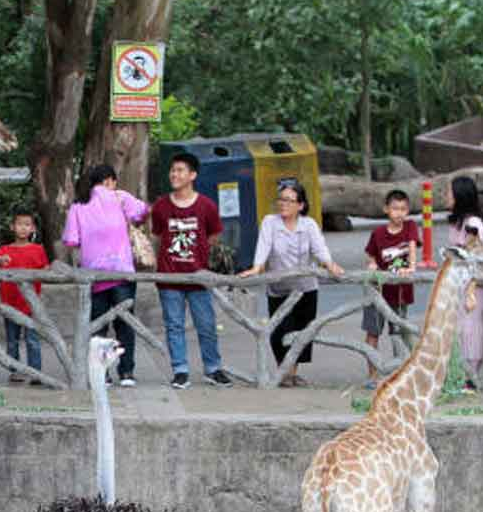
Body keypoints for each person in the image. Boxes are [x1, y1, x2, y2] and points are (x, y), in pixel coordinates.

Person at [236, 179, 345, 387]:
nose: (283, 204)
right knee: (279, 332)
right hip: (279, 288)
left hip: (306, 288)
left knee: (302, 332)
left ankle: (291, 373)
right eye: (281, 199)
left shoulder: (309, 225)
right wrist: (257, 267)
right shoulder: (270, 222)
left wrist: (330, 264)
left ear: (300, 205)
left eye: (289, 200)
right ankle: (284, 373)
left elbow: (320, 249)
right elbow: (264, 246)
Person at [63, 164, 149, 386]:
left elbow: (71, 240)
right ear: (110, 180)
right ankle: (126, 372)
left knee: (98, 326)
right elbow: (142, 212)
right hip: (122, 272)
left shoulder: (78, 206)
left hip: (94, 275)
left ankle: (102, 374)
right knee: (125, 323)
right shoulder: (120, 197)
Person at [151, 151, 230, 389]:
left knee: (206, 325)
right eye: (173, 170)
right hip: (169, 277)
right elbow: (157, 236)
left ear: (192, 175)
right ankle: (180, 370)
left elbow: (214, 235)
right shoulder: (161, 206)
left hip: (199, 277)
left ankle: (213, 368)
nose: (174, 174)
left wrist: (199, 255)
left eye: (180, 170)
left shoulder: (206, 205)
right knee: (174, 325)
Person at [360, 188, 422, 389]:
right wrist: (371, 264)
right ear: (386, 209)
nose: (399, 213)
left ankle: (402, 374)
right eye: (395, 208)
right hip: (377, 292)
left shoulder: (410, 227)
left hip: (400, 292)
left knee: (400, 333)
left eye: (403, 209)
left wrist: (411, 267)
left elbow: (412, 246)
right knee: (373, 332)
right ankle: (373, 375)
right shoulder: (378, 233)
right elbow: (370, 254)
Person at [0, 209, 49, 383]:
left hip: (32, 305)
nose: (23, 228)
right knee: (12, 340)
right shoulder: (4, 250)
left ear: (33, 228)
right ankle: (15, 370)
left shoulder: (38, 249)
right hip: (10, 303)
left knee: (33, 339)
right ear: (12, 227)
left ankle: (36, 373)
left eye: (27, 225)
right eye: (20, 224)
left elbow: (46, 271)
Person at [448, 177, 483, 391]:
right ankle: (462, 372)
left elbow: (478, 256)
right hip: (459, 281)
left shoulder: (472, 224)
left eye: (450, 192)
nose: (447, 196)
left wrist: (472, 290)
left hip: (472, 284)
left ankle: (471, 375)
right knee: (460, 326)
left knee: (471, 327)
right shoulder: (459, 222)